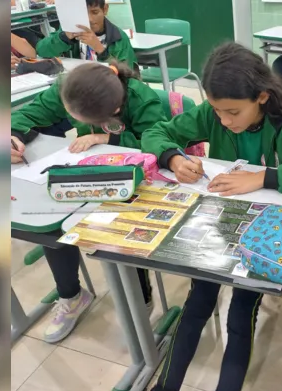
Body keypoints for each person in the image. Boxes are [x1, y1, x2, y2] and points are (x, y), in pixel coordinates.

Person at [141, 42, 282, 391]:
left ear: (262, 97)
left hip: (264, 236)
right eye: (218, 111)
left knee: (240, 313)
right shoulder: (211, 113)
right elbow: (156, 132)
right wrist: (173, 158)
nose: (223, 120)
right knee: (198, 301)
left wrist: (264, 177)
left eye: (233, 112)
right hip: (220, 227)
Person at [11, 61, 168, 342]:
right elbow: (31, 114)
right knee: (51, 222)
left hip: (131, 178)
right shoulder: (70, 87)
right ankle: (71, 295)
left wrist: (105, 137)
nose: (73, 123)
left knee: (124, 234)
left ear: (114, 112)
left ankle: (141, 299)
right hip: (84, 174)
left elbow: (154, 140)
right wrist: (13, 136)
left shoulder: (140, 98)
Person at [35, 0, 137, 69]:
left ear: (105, 9)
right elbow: (41, 51)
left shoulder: (118, 38)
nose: (90, 19)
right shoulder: (71, 31)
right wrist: (63, 38)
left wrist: (100, 50)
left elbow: (128, 75)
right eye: (83, 13)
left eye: (95, 12)